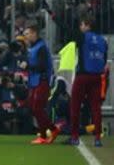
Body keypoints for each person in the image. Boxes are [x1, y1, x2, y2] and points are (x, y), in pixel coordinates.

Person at [66, 15, 107, 147]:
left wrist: (52, 15)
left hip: (83, 75)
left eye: (82, 25)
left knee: (75, 106)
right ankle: (97, 138)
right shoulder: (103, 40)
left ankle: (74, 136)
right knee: (96, 108)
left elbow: (66, 28)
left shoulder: (82, 37)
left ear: (88, 25)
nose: (80, 27)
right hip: (97, 77)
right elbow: (104, 60)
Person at [19, 24, 60, 144]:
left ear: (34, 33)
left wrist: (28, 66)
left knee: (37, 108)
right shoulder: (34, 47)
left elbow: (42, 66)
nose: (25, 36)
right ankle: (48, 132)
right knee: (34, 107)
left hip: (42, 81)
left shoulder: (41, 47)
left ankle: (49, 131)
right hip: (35, 81)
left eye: (27, 34)